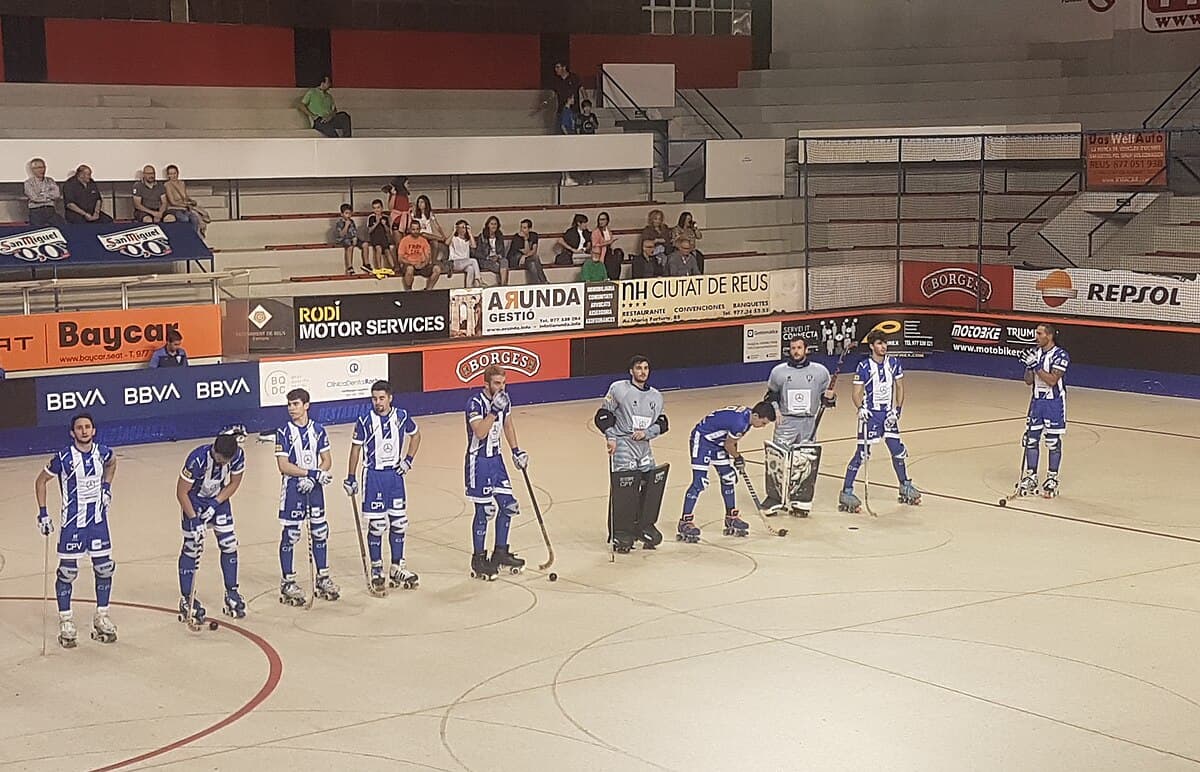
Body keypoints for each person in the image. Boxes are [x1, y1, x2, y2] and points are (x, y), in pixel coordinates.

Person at [34, 413, 118, 647]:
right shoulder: (63, 457)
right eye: (79, 428)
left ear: (94, 430)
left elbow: (113, 463)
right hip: (72, 524)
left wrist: (107, 488)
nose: (84, 431)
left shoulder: (104, 452)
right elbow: (40, 481)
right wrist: (43, 513)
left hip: (98, 523)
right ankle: (66, 619)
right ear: (72, 433)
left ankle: (102, 616)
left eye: (88, 427)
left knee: (104, 569)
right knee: (67, 573)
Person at [344, 381, 421, 592]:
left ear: (390, 398)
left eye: (381, 398)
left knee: (399, 523)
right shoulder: (364, 420)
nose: (377, 402)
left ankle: (397, 566)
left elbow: (415, 435)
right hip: (374, 476)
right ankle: (377, 568)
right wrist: (351, 477)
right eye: (374, 398)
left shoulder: (402, 416)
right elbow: (355, 450)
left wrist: (408, 460)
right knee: (377, 525)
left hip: (395, 476)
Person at [838, 330, 921, 513]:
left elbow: (899, 387)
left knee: (897, 450)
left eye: (884, 343)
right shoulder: (864, 366)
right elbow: (856, 392)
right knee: (862, 453)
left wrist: (897, 411)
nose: (883, 347)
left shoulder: (893, 363)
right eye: (879, 344)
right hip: (870, 415)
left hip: (888, 415)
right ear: (871, 346)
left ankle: (904, 484)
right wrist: (860, 408)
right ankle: (847, 491)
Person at [594, 355, 670, 552]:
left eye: (646, 368)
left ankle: (644, 525)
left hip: (644, 446)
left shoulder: (656, 396)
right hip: (623, 444)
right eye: (638, 368)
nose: (643, 371)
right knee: (625, 488)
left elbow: (662, 422)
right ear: (631, 371)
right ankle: (621, 531)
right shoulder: (619, 389)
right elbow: (603, 415)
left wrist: (648, 433)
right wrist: (610, 437)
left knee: (651, 483)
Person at [275, 389, 339, 606]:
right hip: (293, 488)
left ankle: (322, 577)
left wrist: (316, 477)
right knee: (291, 534)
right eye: (289, 405)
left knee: (320, 532)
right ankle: (287, 581)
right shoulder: (283, 432)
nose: (291, 409)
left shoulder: (319, 430)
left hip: (315, 488)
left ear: (306, 405)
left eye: (295, 404)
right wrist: (309, 473)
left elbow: (326, 460)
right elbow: (283, 466)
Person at [465, 365, 529, 581]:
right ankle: (479, 558)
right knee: (485, 511)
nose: (501, 387)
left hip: (497, 461)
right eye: (497, 383)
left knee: (509, 506)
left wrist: (516, 451)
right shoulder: (474, 403)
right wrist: (493, 411)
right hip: (479, 462)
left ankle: (500, 552)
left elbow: (508, 425)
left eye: (503, 382)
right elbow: (481, 433)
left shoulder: (505, 399)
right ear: (486, 384)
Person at [176, 430, 247, 622]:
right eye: (218, 458)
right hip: (194, 501)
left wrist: (216, 503)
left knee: (229, 544)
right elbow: (181, 492)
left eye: (225, 461)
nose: (220, 463)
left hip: (219, 499)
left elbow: (234, 483)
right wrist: (194, 519)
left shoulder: (238, 456)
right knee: (192, 547)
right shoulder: (197, 460)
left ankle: (232, 592)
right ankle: (187, 598)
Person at [679, 403, 776, 541]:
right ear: (755, 416)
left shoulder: (747, 418)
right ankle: (685, 521)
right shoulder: (740, 423)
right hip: (702, 441)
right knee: (699, 482)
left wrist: (736, 458)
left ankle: (731, 516)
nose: (763, 426)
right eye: (763, 422)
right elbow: (729, 445)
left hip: (718, 444)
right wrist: (738, 457)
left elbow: (732, 440)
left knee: (728, 478)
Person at [762, 336, 836, 513]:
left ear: (806, 349)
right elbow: (771, 395)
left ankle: (801, 501)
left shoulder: (820, 372)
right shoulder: (778, 372)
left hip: (808, 422)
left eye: (799, 348)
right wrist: (776, 411)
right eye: (793, 348)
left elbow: (827, 399)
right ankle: (774, 498)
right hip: (786, 421)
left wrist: (830, 398)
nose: (796, 351)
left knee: (805, 461)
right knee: (777, 458)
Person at [1018, 323, 1071, 498]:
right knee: (1031, 439)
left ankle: (1052, 477)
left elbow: (1052, 380)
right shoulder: (1035, 353)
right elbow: (1028, 381)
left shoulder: (1061, 355)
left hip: (1053, 403)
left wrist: (1036, 366)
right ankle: (1031, 476)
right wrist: (1028, 366)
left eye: (1040, 334)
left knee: (1052, 441)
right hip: (1036, 402)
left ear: (1049, 336)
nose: (1036, 337)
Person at [397, 218, 442, 290]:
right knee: (409, 269)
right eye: (413, 229)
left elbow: (428, 257)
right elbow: (400, 259)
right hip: (409, 264)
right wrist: (412, 263)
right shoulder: (404, 240)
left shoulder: (423, 240)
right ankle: (409, 290)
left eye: (417, 229)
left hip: (421, 265)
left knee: (437, 269)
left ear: (420, 229)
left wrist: (422, 264)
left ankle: (428, 289)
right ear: (410, 230)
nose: (415, 231)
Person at [163, 164, 203, 238]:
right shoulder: (167, 185)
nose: (173, 176)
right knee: (184, 219)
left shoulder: (182, 183)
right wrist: (186, 205)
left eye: (175, 173)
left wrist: (191, 201)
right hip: (174, 208)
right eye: (171, 174)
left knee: (194, 218)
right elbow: (172, 202)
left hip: (184, 207)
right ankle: (185, 238)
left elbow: (185, 197)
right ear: (168, 175)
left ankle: (194, 238)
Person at [24, 157, 65, 227]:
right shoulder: (28, 183)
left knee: (62, 225)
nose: (42, 170)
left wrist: (43, 194)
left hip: (50, 210)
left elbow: (57, 194)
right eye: (39, 168)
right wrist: (49, 196)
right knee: (37, 231)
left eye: (43, 167)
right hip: (36, 211)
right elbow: (35, 198)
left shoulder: (50, 181)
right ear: (33, 170)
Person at [413, 195, 449, 272]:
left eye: (422, 202)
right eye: (418, 202)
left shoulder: (429, 214)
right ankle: (441, 239)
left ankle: (433, 261)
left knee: (435, 243)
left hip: (430, 236)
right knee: (422, 233)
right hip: (420, 236)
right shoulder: (414, 214)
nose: (420, 204)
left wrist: (443, 235)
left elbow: (437, 226)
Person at [507, 218, 547, 284]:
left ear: (529, 229)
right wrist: (525, 239)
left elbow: (534, 251)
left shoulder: (534, 235)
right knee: (535, 257)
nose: (522, 230)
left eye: (524, 228)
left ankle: (537, 285)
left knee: (532, 264)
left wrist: (524, 256)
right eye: (521, 227)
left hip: (526, 259)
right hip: (515, 259)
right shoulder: (517, 237)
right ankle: (544, 281)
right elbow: (527, 251)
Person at [475, 215, 509, 286]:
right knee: (502, 268)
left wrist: (498, 256)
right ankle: (504, 285)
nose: (493, 226)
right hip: (485, 259)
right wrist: (488, 257)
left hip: (497, 258)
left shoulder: (499, 236)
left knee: (505, 261)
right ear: (488, 225)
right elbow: (477, 253)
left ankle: (503, 285)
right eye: (492, 224)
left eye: (495, 224)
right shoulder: (482, 237)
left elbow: (502, 251)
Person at [447, 219, 481, 287]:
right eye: (459, 227)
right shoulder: (454, 238)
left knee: (471, 268)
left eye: (463, 227)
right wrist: (453, 231)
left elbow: (474, 246)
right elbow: (446, 243)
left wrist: (470, 233)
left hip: (465, 262)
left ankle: (468, 287)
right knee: (473, 260)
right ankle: (478, 280)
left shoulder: (467, 240)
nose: (462, 230)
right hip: (455, 262)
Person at [335, 203, 367, 274]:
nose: (348, 215)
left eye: (350, 213)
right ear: (342, 214)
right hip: (343, 239)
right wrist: (346, 225)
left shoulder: (352, 221)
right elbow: (341, 234)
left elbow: (354, 231)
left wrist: (355, 237)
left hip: (352, 238)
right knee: (350, 246)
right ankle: (349, 267)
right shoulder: (339, 223)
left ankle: (366, 264)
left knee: (365, 244)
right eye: (346, 213)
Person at [590, 210, 622, 279]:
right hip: (601, 253)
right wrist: (608, 243)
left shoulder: (608, 230)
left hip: (609, 251)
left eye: (603, 219)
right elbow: (595, 245)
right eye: (600, 219)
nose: (601, 222)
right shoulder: (596, 232)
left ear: (607, 221)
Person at [638, 209, 671, 274]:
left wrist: (661, 241)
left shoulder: (665, 228)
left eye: (659, 219)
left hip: (665, 251)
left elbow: (668, 241)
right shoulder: (647, 230)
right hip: (652, 251)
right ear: (651, 219)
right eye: (655, 219)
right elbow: (646, 243)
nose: (658, 221)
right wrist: (656, 241)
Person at [366, 198, 392, 272]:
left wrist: (384, 225)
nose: (376, 210)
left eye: (378, 207)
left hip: (384, 238)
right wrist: (377, 222)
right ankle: (379, 268)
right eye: (374, 208)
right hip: (375, 238)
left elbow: (388, 231)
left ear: (382, 208)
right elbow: (369, 230)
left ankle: (394, 267)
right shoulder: (371, 217)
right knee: (378, 248)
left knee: (387, 250)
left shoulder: (386, 218)